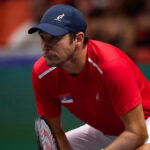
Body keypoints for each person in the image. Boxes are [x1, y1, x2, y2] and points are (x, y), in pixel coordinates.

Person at [28, 4, 150, 150]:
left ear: (78, 39)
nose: (45, 46)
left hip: (143, 124)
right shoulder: (41, 73)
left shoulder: (112, 66)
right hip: (104, 131)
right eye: (43, 37)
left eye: (54, 38)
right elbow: (55, 133)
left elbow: (138, 133)